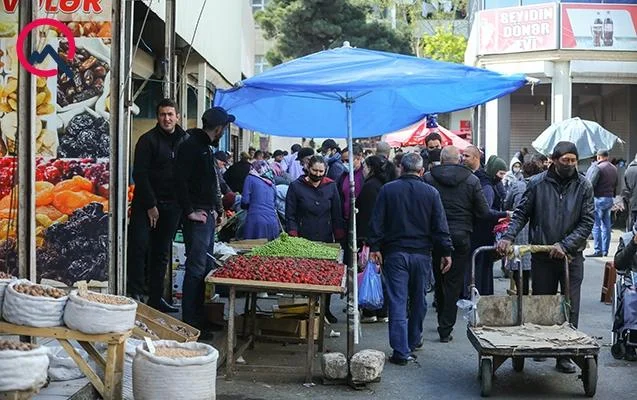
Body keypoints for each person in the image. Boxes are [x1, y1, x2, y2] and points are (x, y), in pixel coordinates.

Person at [496, 141, 594, 374]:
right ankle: (541, 345)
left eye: (573, 160)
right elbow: (521, 214)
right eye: (565, 160)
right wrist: (508, 236)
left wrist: (566, 245)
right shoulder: (536, 184)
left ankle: (566, 355)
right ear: (554, 159)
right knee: (542, 302)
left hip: (571, 256)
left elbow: (587, 221)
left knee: (570, 305)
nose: (570, 164)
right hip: (542, 253)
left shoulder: (584, 185)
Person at [368, 153, 453, 365]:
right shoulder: (431, 193)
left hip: (395, 254)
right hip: (422, 255)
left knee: (397, 300)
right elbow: (440, 226)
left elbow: (377, 221)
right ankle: (413, 340)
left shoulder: (388, 190)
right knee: (419, 300)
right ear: (421, 171)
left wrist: (375, 247)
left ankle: (400, 350)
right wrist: (446, 252)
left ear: (401, 169)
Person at [423, 146, 491, 342]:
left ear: (441, 160)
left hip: (436, 236)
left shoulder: (428, 178)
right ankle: (446, 327)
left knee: (439, 276)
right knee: (453, 281)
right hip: (461, 236)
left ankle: (441, 317)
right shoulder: (471, 180)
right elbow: (484, 212)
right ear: (459, 159)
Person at [127, 98, 187, 313]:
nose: (167, 118)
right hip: (146, 204)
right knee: (139, 247)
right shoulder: (147, 140)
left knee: (161, 252)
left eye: (171, 114)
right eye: (163, 114)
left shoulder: (185, 140)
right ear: (157, 117)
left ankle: (155, 297)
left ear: (177, 116)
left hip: (172, 206)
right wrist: (151, 205)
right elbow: (140, 175)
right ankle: (134, 293)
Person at [175, 106, 233, 331]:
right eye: (224, 128)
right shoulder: (191, 146)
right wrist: (190, 211)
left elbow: (211, 183)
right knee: (196, 268)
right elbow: (179, 180)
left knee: (205, 265)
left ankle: (201, 315)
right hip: (196, 215)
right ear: (219, 129)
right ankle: (191, 322)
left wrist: (216, 209)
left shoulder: (206, 148)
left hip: (206, 212)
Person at [286, 155, 344, 323]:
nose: (318, 174)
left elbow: (336, 213)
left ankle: (325, 309)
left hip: (325, 235)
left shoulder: (331, 186)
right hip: (304, 236)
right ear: (307, 169)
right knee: (306, 275)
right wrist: (293, 234)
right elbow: (290, 214)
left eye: (321, 171)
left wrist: (338, 237)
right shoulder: (296, 186)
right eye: (314, 171)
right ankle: (307, 310)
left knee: (326, 276)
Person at [464, 146, 508, 296]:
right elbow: (485, 211)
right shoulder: (487, 186)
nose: (502, 177)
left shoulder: (484, 182)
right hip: (482, 232)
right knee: (481, 265)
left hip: (479, 231)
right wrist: (504, 214)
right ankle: (481, 293)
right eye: (501, 173)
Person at [356, 155, 395, 323]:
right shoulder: (386, 185)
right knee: (380, 274)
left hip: (371, 238)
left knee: (370, 273)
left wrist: (366, 239)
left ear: (371, 167)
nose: (362, 170)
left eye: (364, 166)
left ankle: (371, 309)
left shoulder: (370, 187)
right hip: (385, 237)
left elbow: (367, 216)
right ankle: (382, 311)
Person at [503, 161, 543, 295]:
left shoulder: (517, 185)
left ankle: (522, 294)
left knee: (518, 263)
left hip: (519, 228)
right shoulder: (542, 185)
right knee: (534, 263)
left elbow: (507, 203)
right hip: (537, 228)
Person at [587, 149, 618, 257]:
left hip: (598, 198)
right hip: (609, 198)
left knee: (596, 225)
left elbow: (591, 184)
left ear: (598, 157)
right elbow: (616, 184)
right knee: (606, 225)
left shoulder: (598, 168)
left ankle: (598, 250)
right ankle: (605, 250)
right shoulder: (614, 168)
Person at [241, 160, 281, 240]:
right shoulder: (271, 182)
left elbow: (245, 201)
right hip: (273, 222)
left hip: (255, 221)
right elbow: (274, 203)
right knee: (270, 250)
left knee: (254, 250)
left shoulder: (250, 178)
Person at [622, 153, 637, 227]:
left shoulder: (628, 170)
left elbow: (625, 189)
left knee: (632, 223)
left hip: (632, 203)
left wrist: (626, 202)